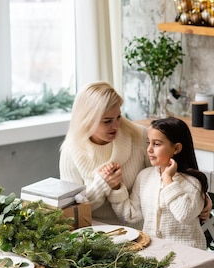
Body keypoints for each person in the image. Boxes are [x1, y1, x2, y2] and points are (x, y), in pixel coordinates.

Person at [102, 117, 208, 249]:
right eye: (148, 143)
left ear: (176, 148)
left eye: (157, 144)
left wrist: (168, 179)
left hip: (188, 255)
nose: (149, 149)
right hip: (153, 253)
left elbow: (184, 215)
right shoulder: (145, 176)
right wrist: (116, 187)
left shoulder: (193, 183)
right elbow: (131, 215)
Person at [59, 81, 150, 229]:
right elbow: (71, 210)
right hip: (93, 234)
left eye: (118, 117)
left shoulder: (139, 136)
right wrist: (101, 185)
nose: (115, 126)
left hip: (140, 231)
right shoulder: (70, 151)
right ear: (87, 120)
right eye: (107, 121)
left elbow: (159, 184)